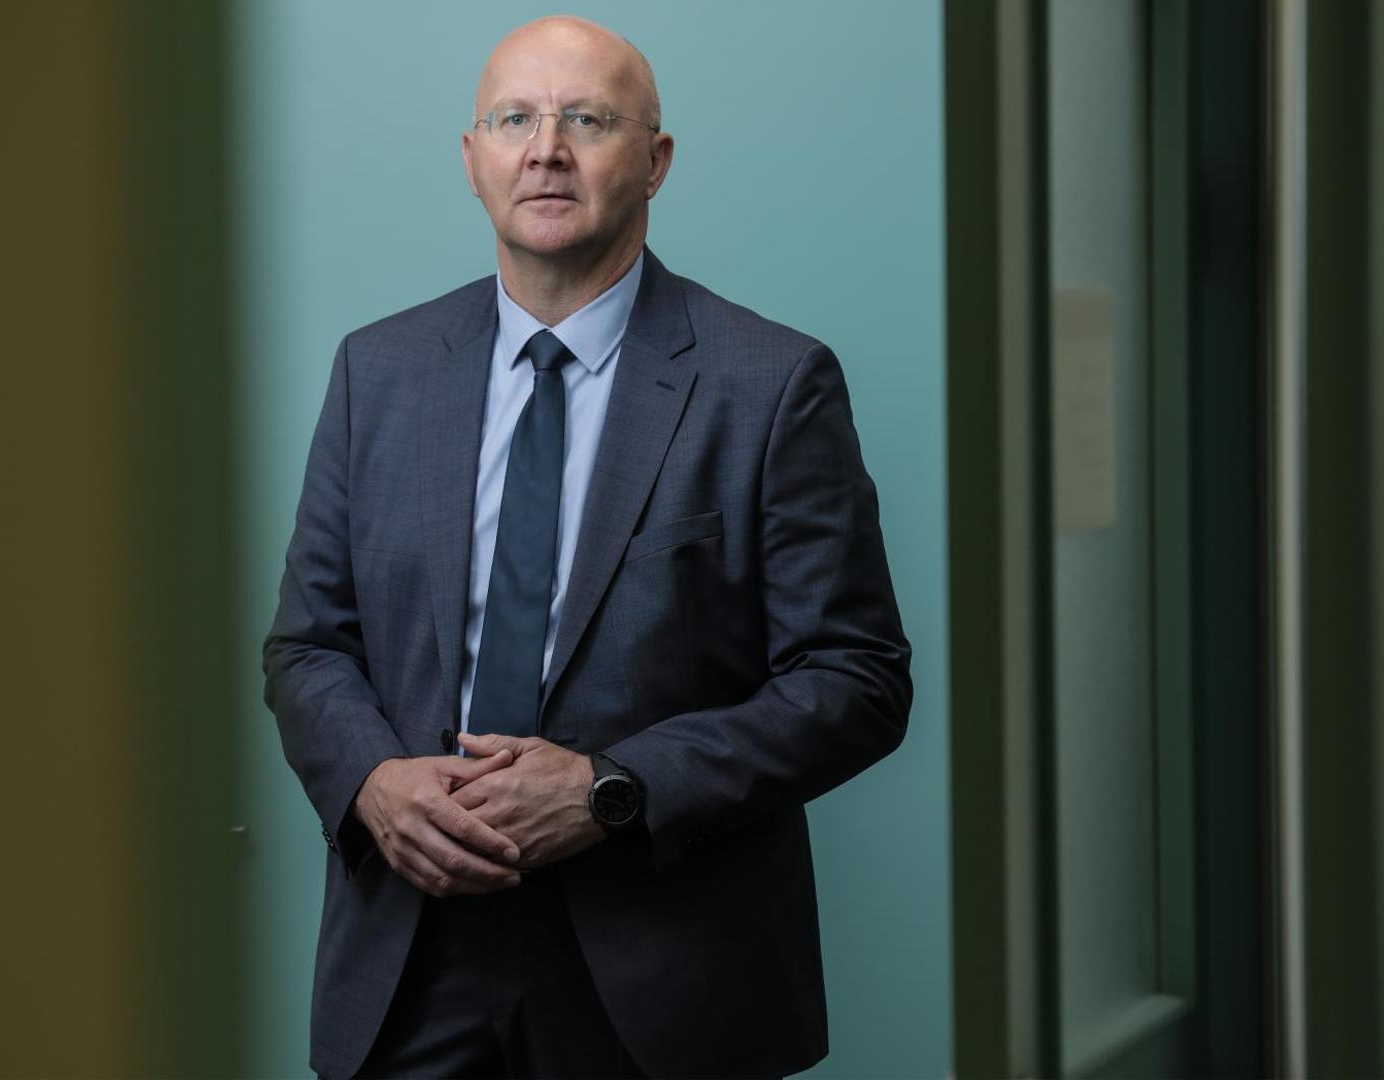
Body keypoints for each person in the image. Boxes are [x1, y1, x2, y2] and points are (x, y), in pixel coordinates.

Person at [263, 15, 912, 1079]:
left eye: (588, 121)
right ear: (472, 159)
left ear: (655, 161)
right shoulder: (376, 373)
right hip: (409, 956)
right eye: (514, 119)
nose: (546, 150)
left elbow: (857, 680)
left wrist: (615, 789)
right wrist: (372, 780)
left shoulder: (770, 385)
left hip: (666, 970)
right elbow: (307, 647)